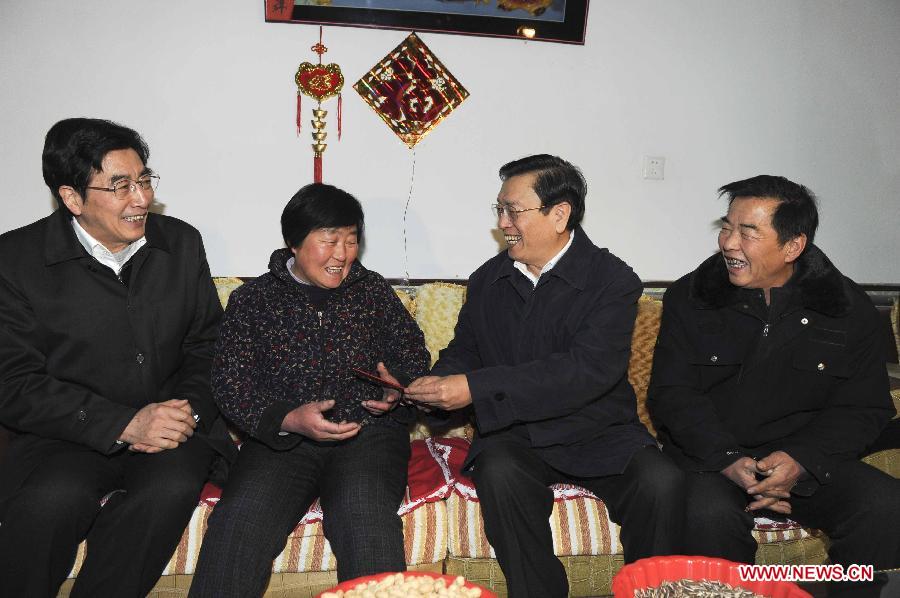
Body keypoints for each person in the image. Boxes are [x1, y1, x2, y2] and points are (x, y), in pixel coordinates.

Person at [402, 155, 686, 598]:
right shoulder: (488, 280)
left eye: (513, 210)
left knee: (661, 481)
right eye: (499, 209)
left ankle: (649, 593)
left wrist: (474, 387)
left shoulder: (612, 280)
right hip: (515, 431)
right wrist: (436, 386)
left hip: (599, 430)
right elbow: (467, 352)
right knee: (498, 471)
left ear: (559, 214)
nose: (503, 222)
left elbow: (587, 370)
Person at [0, 118, 236, 597]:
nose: (142, 198)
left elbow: (209, 345)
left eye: (144, 180)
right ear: (71, 198)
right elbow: (14, 382)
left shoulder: (180, 244)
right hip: (65, 436)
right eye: (121, 185)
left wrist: (187, 409)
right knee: (49, 502)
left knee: (170, 488)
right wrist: (124, 424)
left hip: (173, 427)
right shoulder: (16, 260)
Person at [189, 183, 430, 597]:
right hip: (282, 444)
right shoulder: (254, 300)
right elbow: (230, 381)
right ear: (294, 242)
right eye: (329, 240)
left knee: (365, 518)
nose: (342, 254)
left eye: (352, 240)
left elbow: (411, 355)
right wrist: (285, 417)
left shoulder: (372, 292)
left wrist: (398, 389)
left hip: (367, 437)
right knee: (241, 521)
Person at [647, 175, 900, 569]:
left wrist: (801, 460)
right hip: (713, 461)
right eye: (727, 227)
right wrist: (727, 458)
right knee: (707, 518)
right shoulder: (692, 297)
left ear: (793, 245)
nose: (729, 243)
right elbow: (672, 394)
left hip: (805, 459)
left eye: (748, 232)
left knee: (885, 507)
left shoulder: (846, 308)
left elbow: (863, 408)